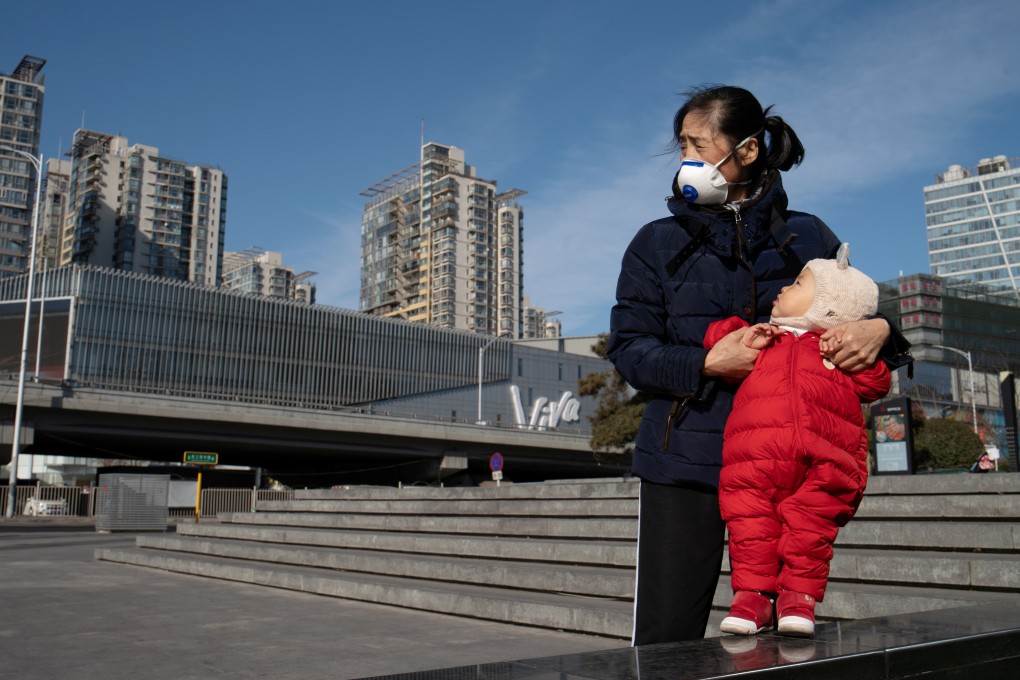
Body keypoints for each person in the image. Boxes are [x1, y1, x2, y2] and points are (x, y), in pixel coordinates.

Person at [607, 85, 912, 645]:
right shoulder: (654, 243)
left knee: (782, 637)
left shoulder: (809, 235)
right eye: (682, 147)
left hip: (792, 469)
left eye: (698, 145)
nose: (687, 161)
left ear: (746, 151)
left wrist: (882, 329)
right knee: (665, 640)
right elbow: (628, 349)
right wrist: (705, 362)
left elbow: (856, 311)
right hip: (685, 463)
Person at [704, 244, 891, 637]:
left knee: (810, 531)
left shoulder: (837, 348)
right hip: (753, 458)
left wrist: (863, 348)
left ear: (828, 307)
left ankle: (798, 598)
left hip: (828, 460)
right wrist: (744, 334)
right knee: (750, 527)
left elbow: (876, 383)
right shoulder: (765, 338)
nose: (782, 290)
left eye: (797, 283)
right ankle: (751, 597)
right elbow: (717, 339)